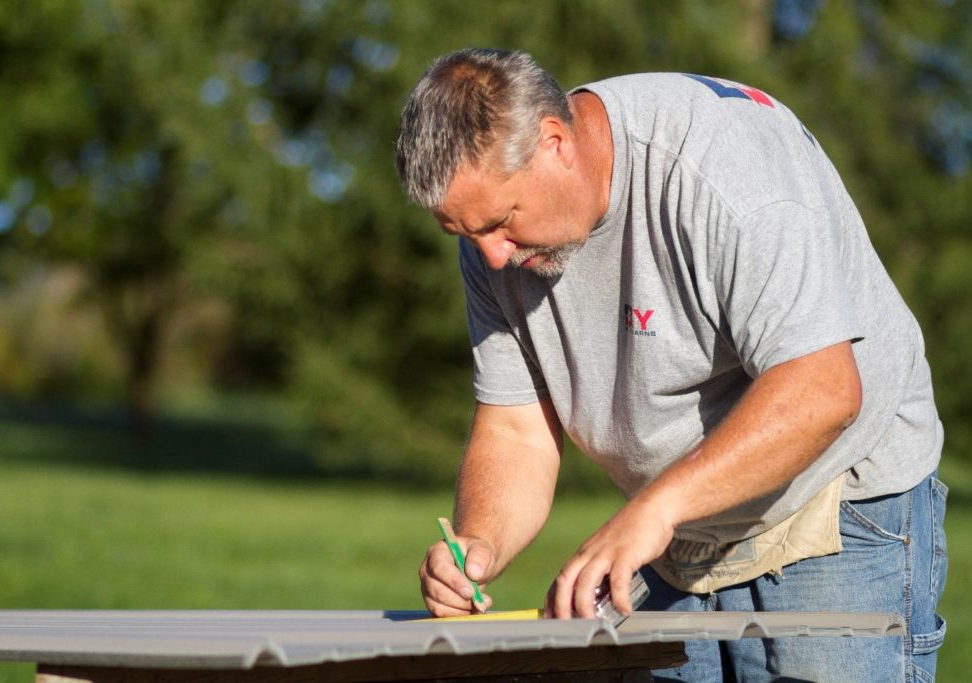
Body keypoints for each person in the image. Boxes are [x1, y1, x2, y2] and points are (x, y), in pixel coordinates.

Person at [394, 48, 947, 682]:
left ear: (553, 143)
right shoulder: (493, 245)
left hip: (833, 504)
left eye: (500, 223)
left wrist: (655, 511)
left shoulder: (724, 171)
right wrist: (479, 545)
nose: (491, 257)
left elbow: (823, 391)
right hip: (676, 530)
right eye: (463, 234)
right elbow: (518, 428)